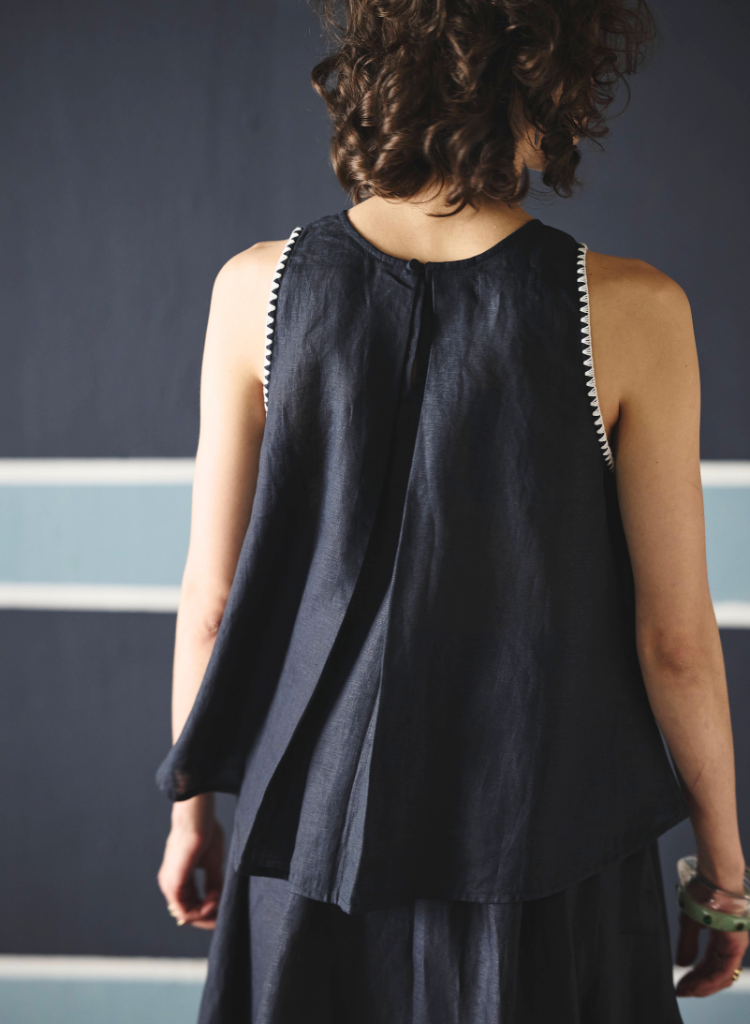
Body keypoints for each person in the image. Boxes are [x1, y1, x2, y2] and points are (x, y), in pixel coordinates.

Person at [156, 1, 749, 1020]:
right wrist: (725, 878)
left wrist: (191, 814)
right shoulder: (634, 308)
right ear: (552, 81)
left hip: (310, 838)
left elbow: (212, 604)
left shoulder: (254, 291)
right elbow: (676, 643)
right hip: (551, 844)